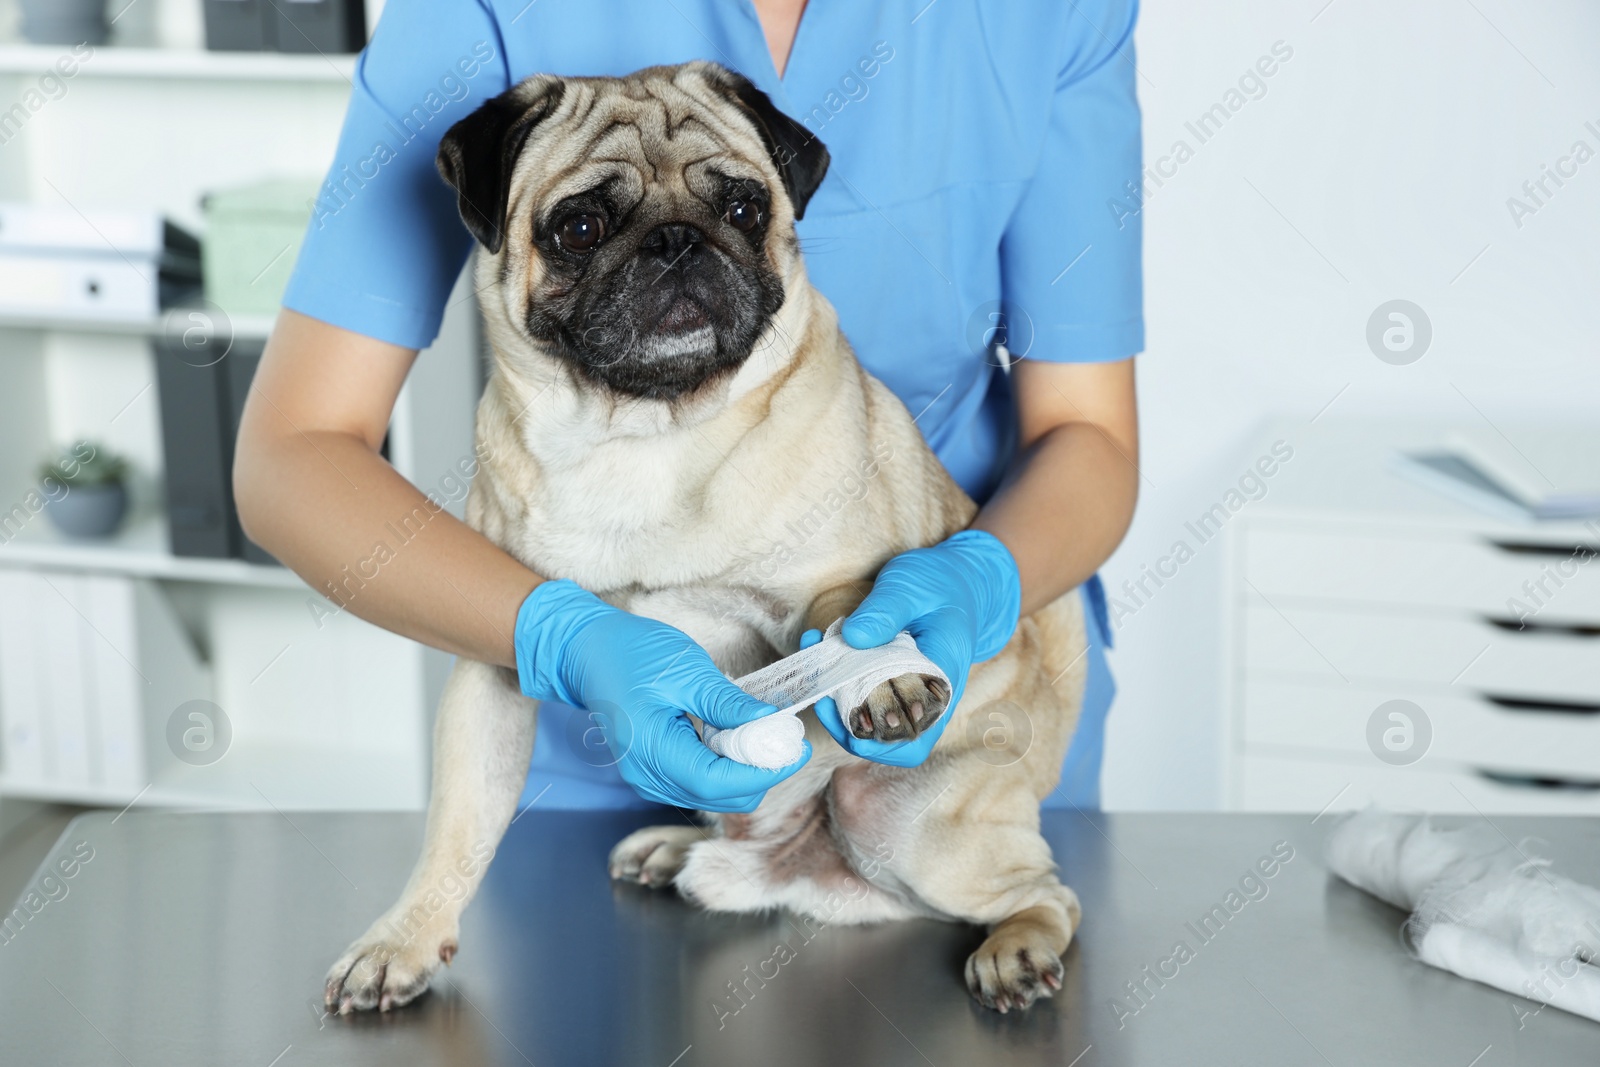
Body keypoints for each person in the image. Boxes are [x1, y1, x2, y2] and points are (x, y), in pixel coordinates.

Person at [234, 0, 1142, 814]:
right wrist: (557, 637)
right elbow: (294, 455)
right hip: (606, 749)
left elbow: (1087, 431)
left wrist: (983, 578)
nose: (676, 257)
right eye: (587, 228)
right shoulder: (482, 11)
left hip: (953, 717)